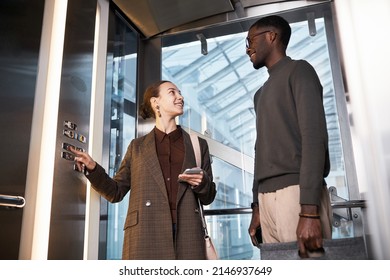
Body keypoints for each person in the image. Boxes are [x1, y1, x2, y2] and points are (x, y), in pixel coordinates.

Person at [71, 80, 217, 260]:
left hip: (188, 235)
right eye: (172, 92)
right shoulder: (137, 147)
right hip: (145, 234)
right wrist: (93, 170)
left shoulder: (197, 145)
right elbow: (116, 192)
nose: (180, 97)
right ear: (156, 103)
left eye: (180, 93)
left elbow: (209, 196)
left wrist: (202, 183)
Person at [246, 15, 332, 258]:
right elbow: (259, 150)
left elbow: (314, 139)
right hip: (266, 199)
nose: (247, 48)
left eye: (251, 39)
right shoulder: (260, 94)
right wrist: (256, 206)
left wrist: (309, 211)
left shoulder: (300, 70)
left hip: (296, 195)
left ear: (271, 36)